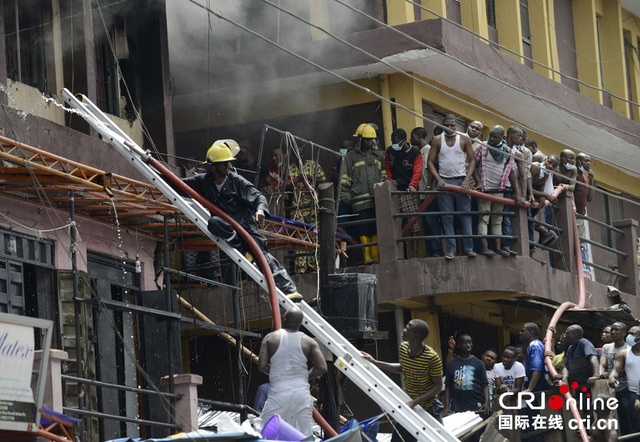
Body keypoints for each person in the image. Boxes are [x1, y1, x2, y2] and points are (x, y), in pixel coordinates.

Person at [180, 140, 301, 300]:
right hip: (229, 230)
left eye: (229, 163)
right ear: (213, 166)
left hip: (247, 229)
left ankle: (289, 290)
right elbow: (177, 184)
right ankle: (243, 250)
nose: (228, 167)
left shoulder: (235, 181)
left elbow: (258, 195)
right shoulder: (204, 181)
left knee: (263, 258)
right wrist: (149, 163)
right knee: (214, 223)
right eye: (224, 164)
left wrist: (260, 210)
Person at [361, 319, 444, 442]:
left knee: (437, 439)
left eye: (407, 328)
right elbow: (403, 367)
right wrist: (375, 362)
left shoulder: (432, 357)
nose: (403, 330)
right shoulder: (403, 348)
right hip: (409, 404)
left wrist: (415, 402)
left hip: (428, 408)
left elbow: (438, 387)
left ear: (415, 335)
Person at [255, 307, 327, 437]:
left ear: (284, 319)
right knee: (304, 435)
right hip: (301, 394)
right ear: (300, 323)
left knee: (264, 431)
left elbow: (262, 366)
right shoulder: (309, 341)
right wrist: (304, 377)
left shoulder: (270, 338)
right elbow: (322, 367)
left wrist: (279, 375)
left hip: (279, 394)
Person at [427, 114, 477, 259]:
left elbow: (472, 161)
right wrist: (438, 179)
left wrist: (467, 180)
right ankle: (451, 250)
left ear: (457, 126)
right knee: (447, 217)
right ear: (442, 125)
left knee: (465, 216)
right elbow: (430, 162)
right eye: (446, 125)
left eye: (452, 125)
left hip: (461, 181)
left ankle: (468, 248)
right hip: (445, 183)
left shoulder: (464, 139)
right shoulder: (437, 140)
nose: (449, 128)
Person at [340, 123, 387, 264]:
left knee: (375, 228)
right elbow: (345, 177)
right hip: (359, 200)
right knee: (364, 229)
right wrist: (345, 195)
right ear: (360, 139)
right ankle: (367, 257)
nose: (370, 142)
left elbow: (384, 174)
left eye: (371, 139)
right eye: (367, 139)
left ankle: (376, 257)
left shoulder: (378, 155)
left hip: (376, 198)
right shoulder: (350, 157)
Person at [473, 125, 518, 256]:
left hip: (500, 190)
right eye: (490, 136)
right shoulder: (482, 147)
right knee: (484, 219)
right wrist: (478, 182)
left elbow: (511, 171)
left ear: (501, 138)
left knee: (497, 219)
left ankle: (498, 248)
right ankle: (485, 248)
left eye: (495, 137)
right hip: (485, 190)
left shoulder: (508, 152)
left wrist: (516, 191)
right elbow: (473, 165)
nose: (491, 139)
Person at [385, 128, 424, 258]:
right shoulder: (390, 151)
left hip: (408, 191)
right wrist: (391, 180)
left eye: (395, 141)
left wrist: (413, 185)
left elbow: (417, 172)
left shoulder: (415, 153)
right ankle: (401, 255)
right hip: (395, 190)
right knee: (397, 224)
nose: (392, 144)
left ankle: (414, 254)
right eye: (391, 141)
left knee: (413, 223)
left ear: (403, 141)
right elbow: (388, 167)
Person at [287, 153, 327, 273]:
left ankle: (314, 267)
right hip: (297, 206)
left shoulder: (313, 165)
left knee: (314, 235)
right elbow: (287, 186)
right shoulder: (290, 168)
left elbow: (323, 181)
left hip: (312, 206)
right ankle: (301, 268)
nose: (296, 156)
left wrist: (308, 179)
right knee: (299, 236)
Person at [413, 126, 443, 257]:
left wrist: (429, 188)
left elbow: (430, 169)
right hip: (423, 193)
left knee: (432, 222)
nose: (411, 139)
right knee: (427, 223)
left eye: (412, 136)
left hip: (428, 194)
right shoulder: (420, 151)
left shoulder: (427, 150)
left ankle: (437, 251)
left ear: (419, 136)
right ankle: (431, 251)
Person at [443, 334, 489, 416]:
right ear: (459, 345)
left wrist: (487, 402)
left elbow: (485, 385)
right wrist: (446, 407)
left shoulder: (479, 363)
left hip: (476, 407)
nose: (468, 345)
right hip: (457, 408)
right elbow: (448, 387)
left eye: (470, 342)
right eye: (465, 343)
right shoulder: (452, 364)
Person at [558, 324, 598, 417]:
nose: (565, 335)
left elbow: (593, 358)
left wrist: (596, 375)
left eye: (567, 333)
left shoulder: (584, 343)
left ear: (575, 335)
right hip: (577, 388)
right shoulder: (570, 348)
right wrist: (565, 379)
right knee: (583, 412)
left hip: (588, 387)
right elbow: (566, 366)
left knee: (590, 413)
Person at [609, 325, 640, 435]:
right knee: (636, 425)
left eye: (633, 334)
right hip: (633, 394)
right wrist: (612, 378)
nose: (629, 337)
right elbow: (615, 370)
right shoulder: (623, 353)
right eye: (629, 333)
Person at [600, 322, 630, 434]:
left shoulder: (628, 349)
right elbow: (602, 364)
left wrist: (610, 375)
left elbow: (626, 371)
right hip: (608, 388)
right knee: (609, 417)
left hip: (624, 388)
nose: (613, 332)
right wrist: (601, 373)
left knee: (625, 417)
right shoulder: (607, 347)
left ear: (624, 333)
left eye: (616, 330)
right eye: (612, 329)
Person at [575, 152, 596, 239]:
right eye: (586, 161)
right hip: (573, 213)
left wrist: (591, 181)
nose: (589, 163)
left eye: (589, 161)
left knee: (580, 244)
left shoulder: (586, 178)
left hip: (581, 215)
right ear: (579, 162)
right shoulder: (574, 176)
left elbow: (590, 199)